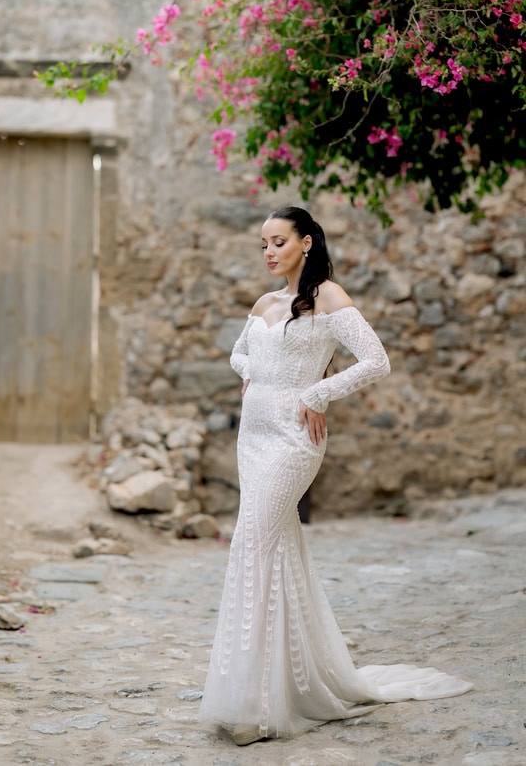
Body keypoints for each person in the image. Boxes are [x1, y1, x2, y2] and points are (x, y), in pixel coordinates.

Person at [198, 206, 472, 746]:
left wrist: (318, 392)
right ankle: (276, 688)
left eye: (279, 241)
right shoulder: (265, 303)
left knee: (250, 542)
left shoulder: (328, 296)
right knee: (269, 550)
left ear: (305, 242)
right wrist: (254, 376)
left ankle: (257, 707)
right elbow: (238, 355)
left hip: (296, 438)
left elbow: (376, 360)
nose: (269, 252)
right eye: (263, 245)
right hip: (251, 439)